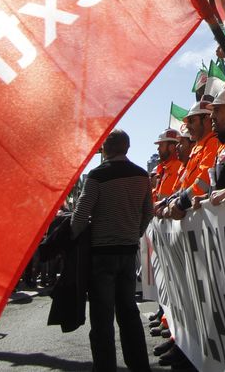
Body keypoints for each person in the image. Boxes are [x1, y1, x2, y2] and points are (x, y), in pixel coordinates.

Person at [71, 129, 152, 372]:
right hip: (128, 252)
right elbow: (148, 211)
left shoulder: (97, 175)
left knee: (102, 317)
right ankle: (139, 365)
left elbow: (80, 214)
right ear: (126, 147)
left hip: (102, 254)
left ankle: (105, 367)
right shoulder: (141, 175)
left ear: (106, 148)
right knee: (128, 312)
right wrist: (133, 233)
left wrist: (75, 236)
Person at [152, 129, 183, 203]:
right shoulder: (163, 169)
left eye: (161, 145)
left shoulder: (180, 167)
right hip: (162, 211)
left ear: (171, 147)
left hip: (171, 211)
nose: (158, 148)